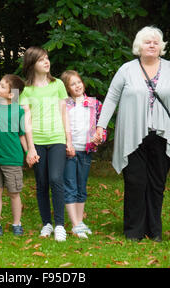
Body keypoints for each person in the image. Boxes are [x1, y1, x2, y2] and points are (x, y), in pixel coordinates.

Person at [94, 26, 170, 242]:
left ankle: (154, 230)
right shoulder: (126, 69)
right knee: (135, 182)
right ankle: (133, 231)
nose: (151, 45)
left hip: (163, 135)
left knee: (157, 183)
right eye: (147, 42)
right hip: (132, 134)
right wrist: (101, 126)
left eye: (155, 42)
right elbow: (111, 98)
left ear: (161, 47)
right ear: (139, 46)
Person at [19, 47, 74, 242]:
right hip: (38, 142)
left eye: (47, 58)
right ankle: (47, 224)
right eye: (41, 59)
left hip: (57, 139)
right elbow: (25, 119)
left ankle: (59, 225)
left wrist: (69, 140)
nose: (46, 62)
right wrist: (30, 148)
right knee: (41, 183)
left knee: (56, 179)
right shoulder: (24, 89)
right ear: (32, 63)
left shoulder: (58, 84)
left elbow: (64, 113)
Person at [60, 70, 107, 239]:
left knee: (81, 187)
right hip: (69, 151)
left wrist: (99, 137)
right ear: (67, 88)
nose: (77, 86)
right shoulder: (64, 104)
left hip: (86, 151)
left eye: (78, 82)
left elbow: (102, 127)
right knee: (70, 186)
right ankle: (74, 224)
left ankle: (79, 222)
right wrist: (66, 144)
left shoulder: (95, 103)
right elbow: (59, 127)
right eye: (72, 84)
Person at [0, 74, 29, 237]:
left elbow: (21, 134)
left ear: (11, 94)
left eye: (3, 86)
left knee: (13, 192)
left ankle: (16, 223)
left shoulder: (18, 110)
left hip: (12, 158)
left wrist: (28, 152)